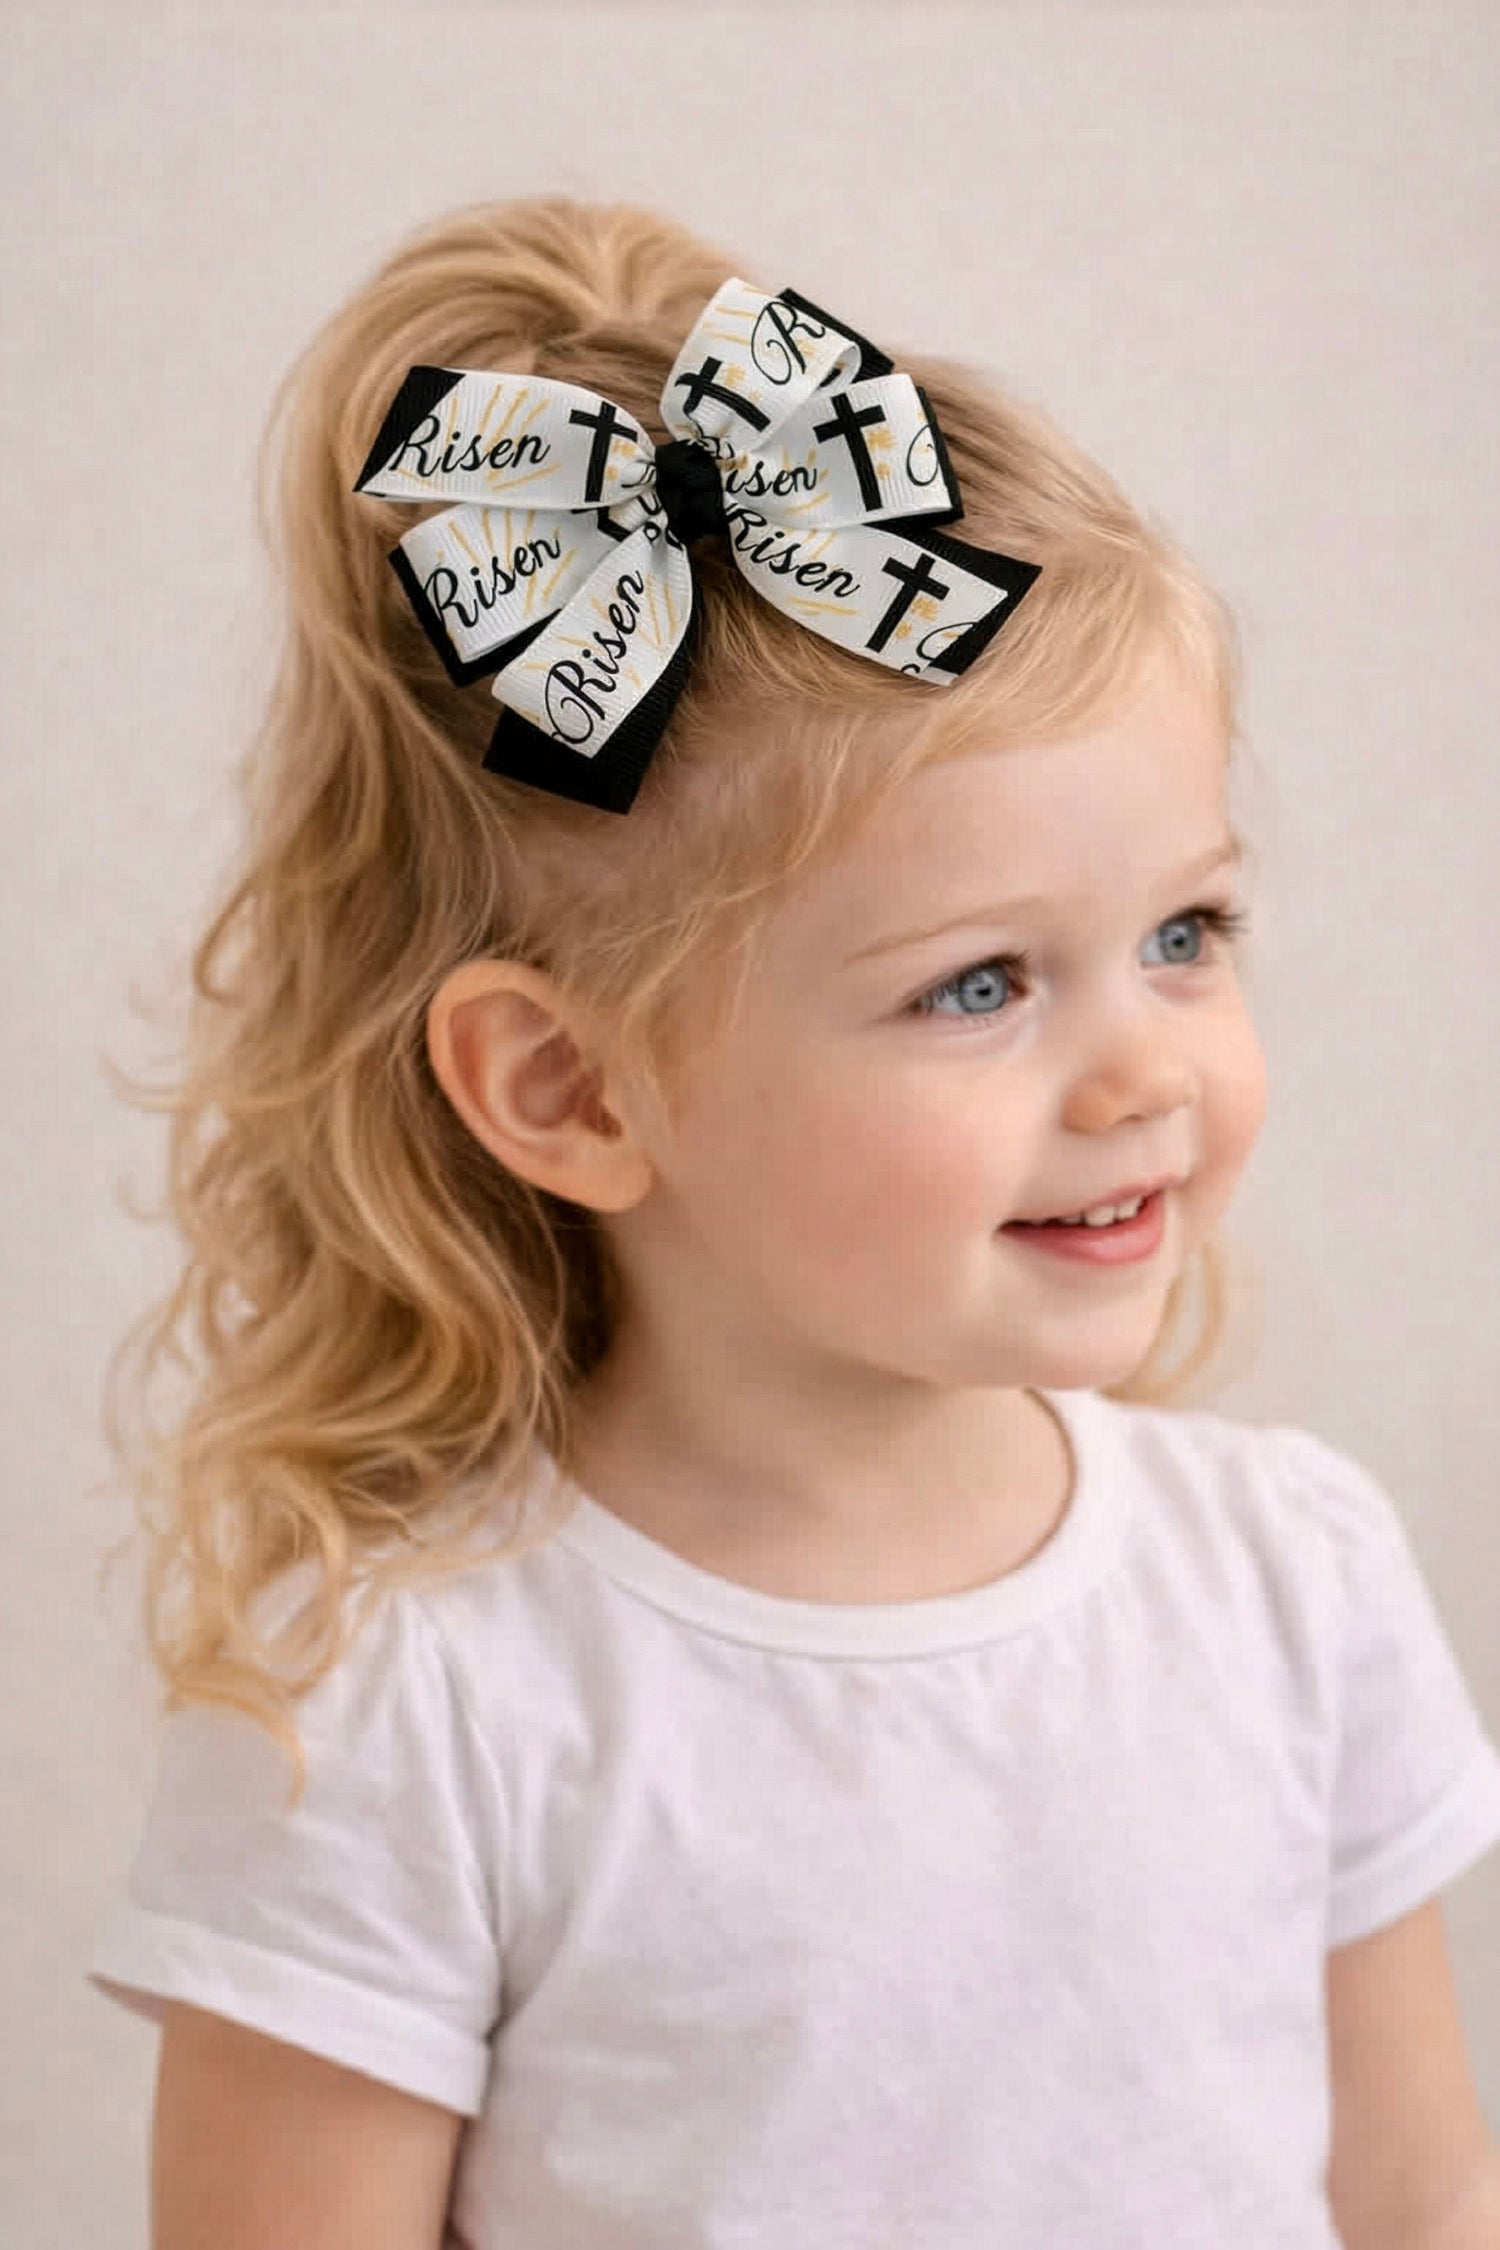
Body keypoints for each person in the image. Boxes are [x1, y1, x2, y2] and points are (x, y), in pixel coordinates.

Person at [85, 195, 1500, 2250]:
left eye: (1183, 932)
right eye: (982, 985)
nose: (1145, 1077)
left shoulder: (1294, 1581)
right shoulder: (412, 1707)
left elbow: (1425, 2191)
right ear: (572, 1090)